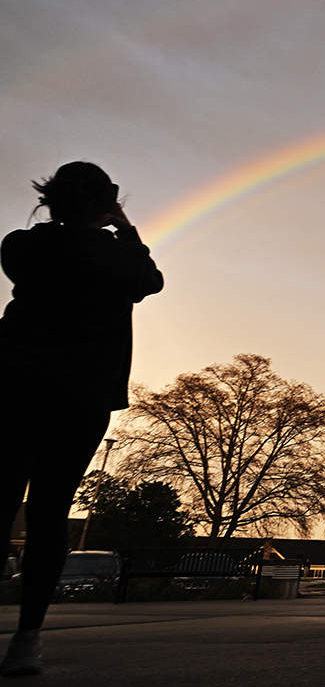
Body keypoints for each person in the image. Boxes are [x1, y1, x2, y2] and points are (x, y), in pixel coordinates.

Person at [0, 162, 163, 676]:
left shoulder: (21, 247)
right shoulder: (120, 260)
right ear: (105, 203)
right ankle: (27, 638)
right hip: (82, 398)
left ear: (50, 200)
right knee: (51, 513)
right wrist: (125, 228)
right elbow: (151, 278)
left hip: (13, 388)